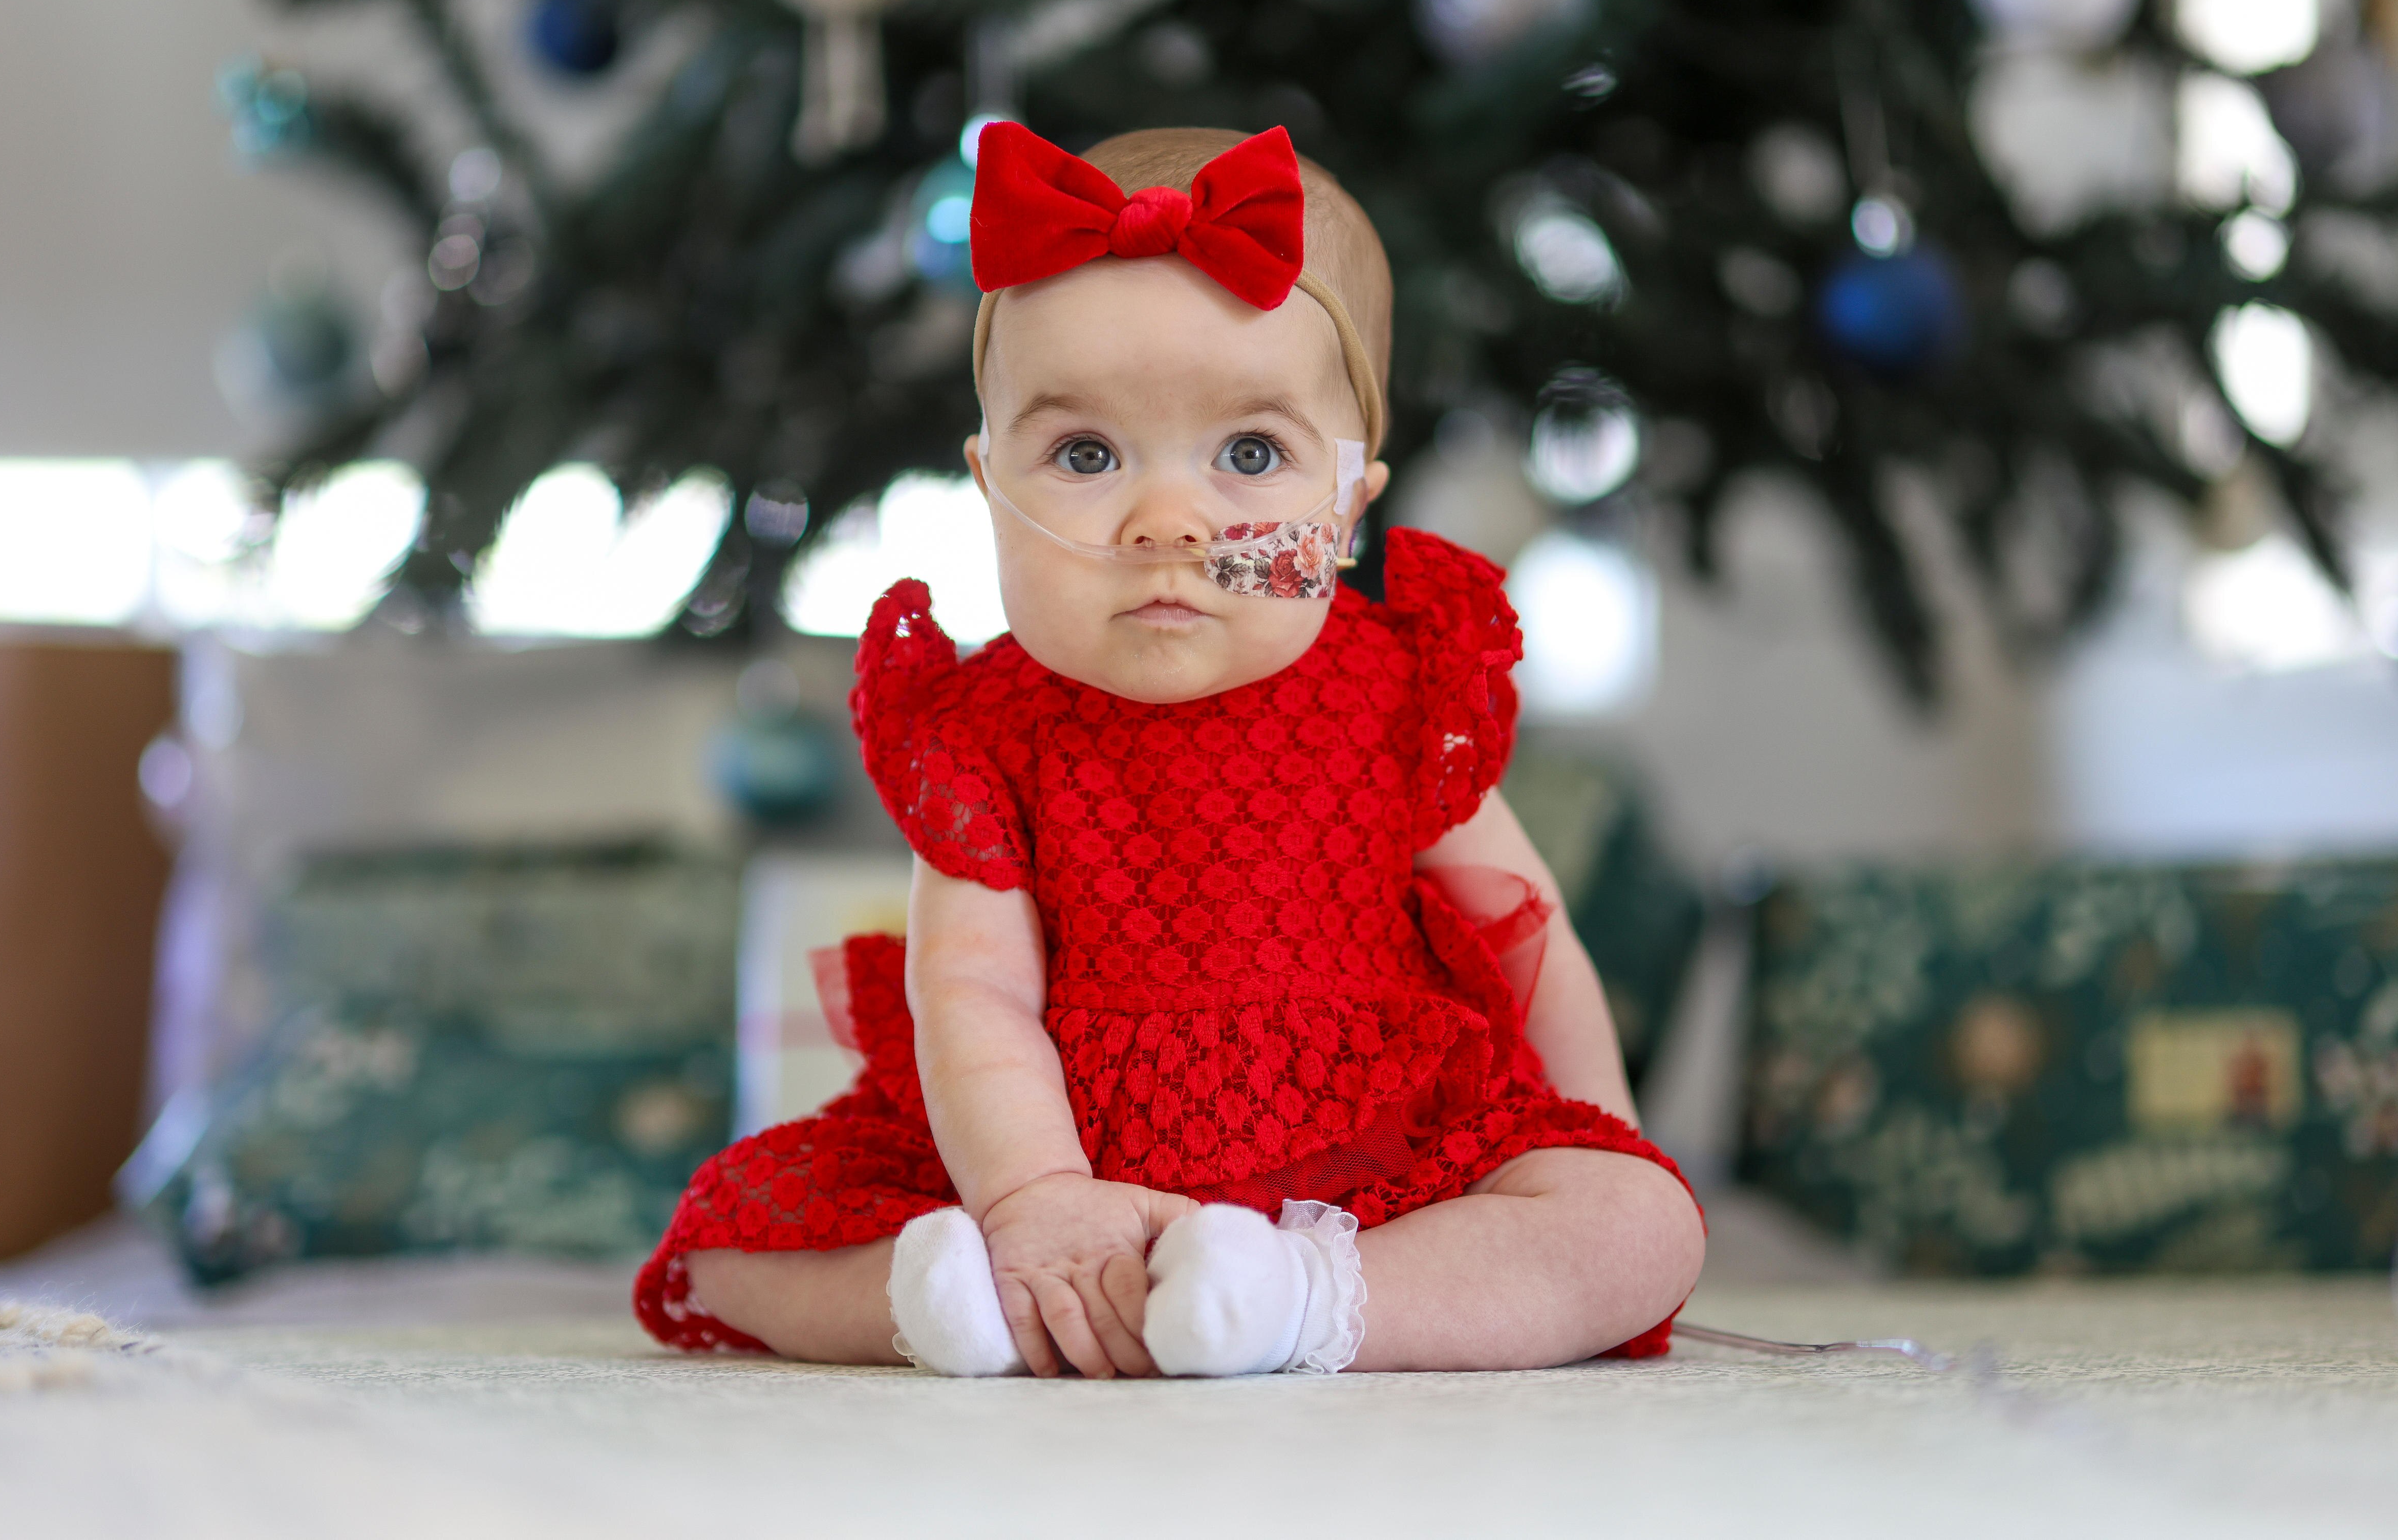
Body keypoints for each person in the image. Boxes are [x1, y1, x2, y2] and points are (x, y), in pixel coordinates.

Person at [634, 122, 1704, 1377]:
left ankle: (1298, 1299)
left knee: (1639, 1226)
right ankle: (939, 1299)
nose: (1167, 523)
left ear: (1353, 503)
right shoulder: (983, 727)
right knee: (722, 1246)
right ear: (989, 485)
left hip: (1381, 1162)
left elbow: (1524, 930)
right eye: (1085, 455)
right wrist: (1031, 1200)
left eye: (1250, 455)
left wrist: (1598, 1142)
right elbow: (970, 994)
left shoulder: (1397, 686)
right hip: (1048, 1160)